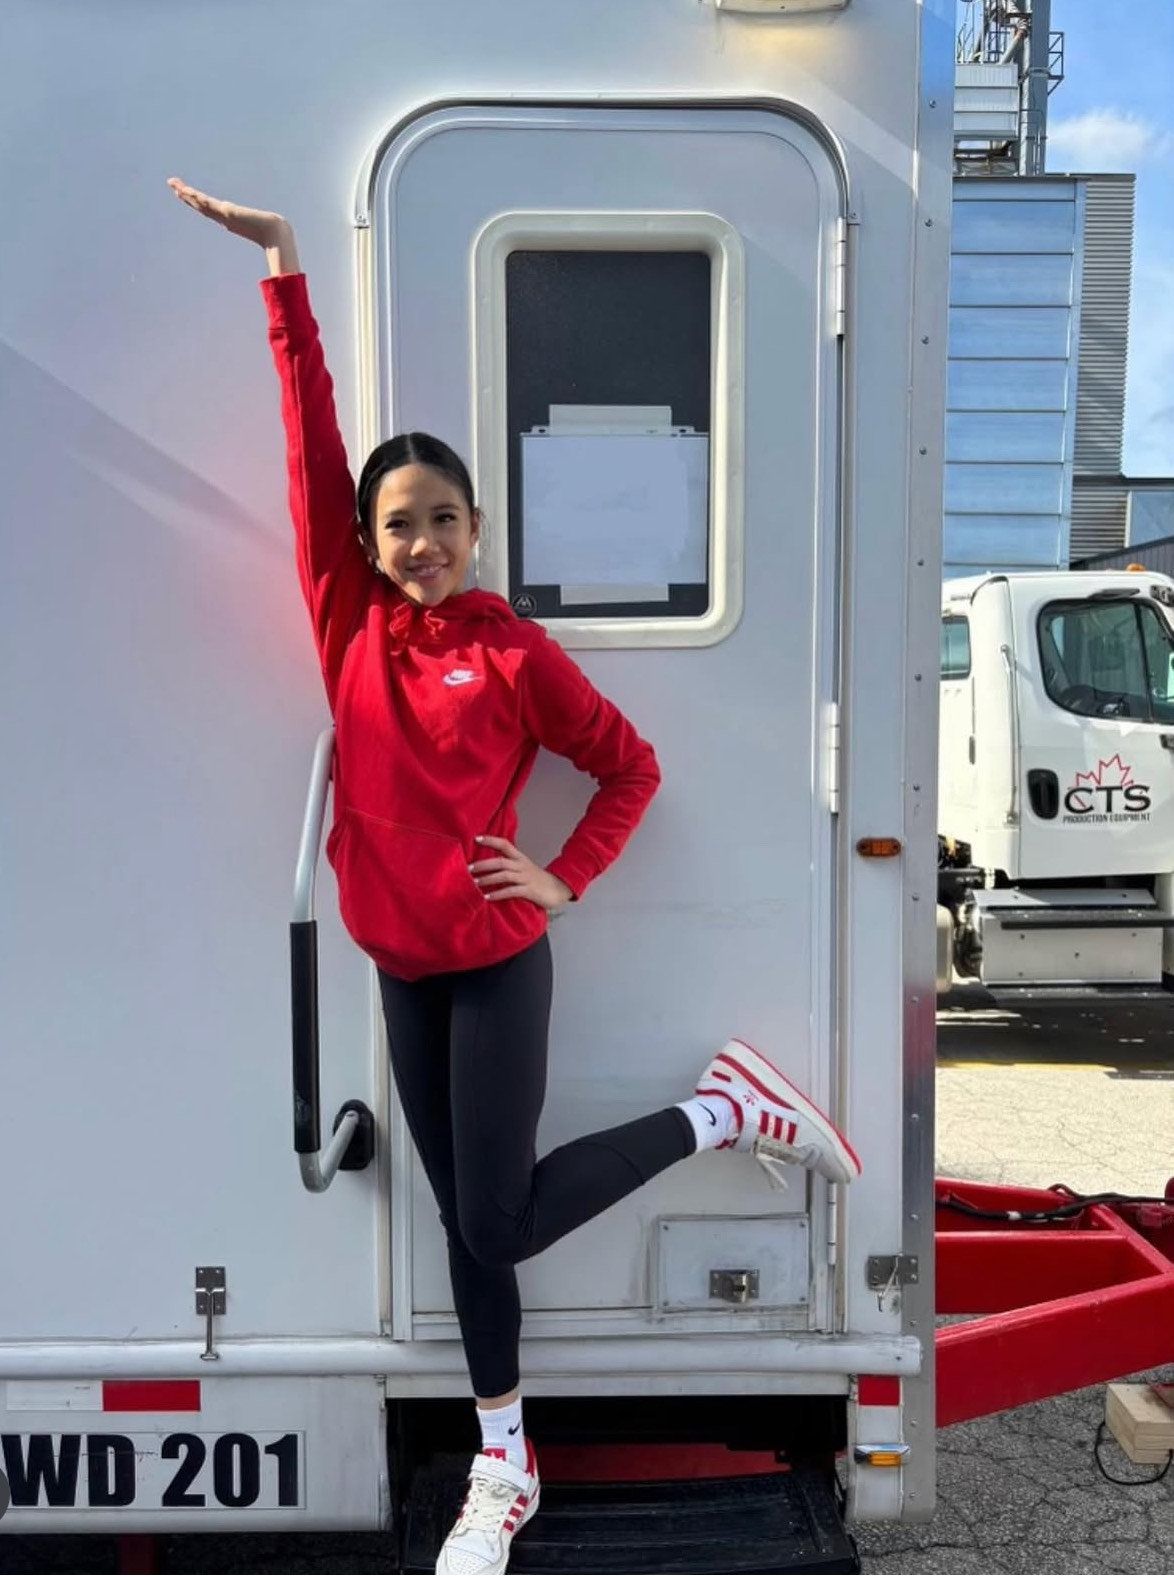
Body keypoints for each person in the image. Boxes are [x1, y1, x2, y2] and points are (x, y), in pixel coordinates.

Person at [168, 177, 863, 1577]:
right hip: (398, 966)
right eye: (395, 524)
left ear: (477, 529)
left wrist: (563, 879)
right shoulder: (349, 626)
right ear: (367, 544)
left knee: (493, 1218)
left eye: (440, 518)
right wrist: (283, 272)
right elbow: (310, 447)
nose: (418, 542)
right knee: (466, 1232)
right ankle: (504, 1463)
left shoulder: (515, 652)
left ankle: (720, 1109)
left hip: (492, 964)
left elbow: (630, 767)